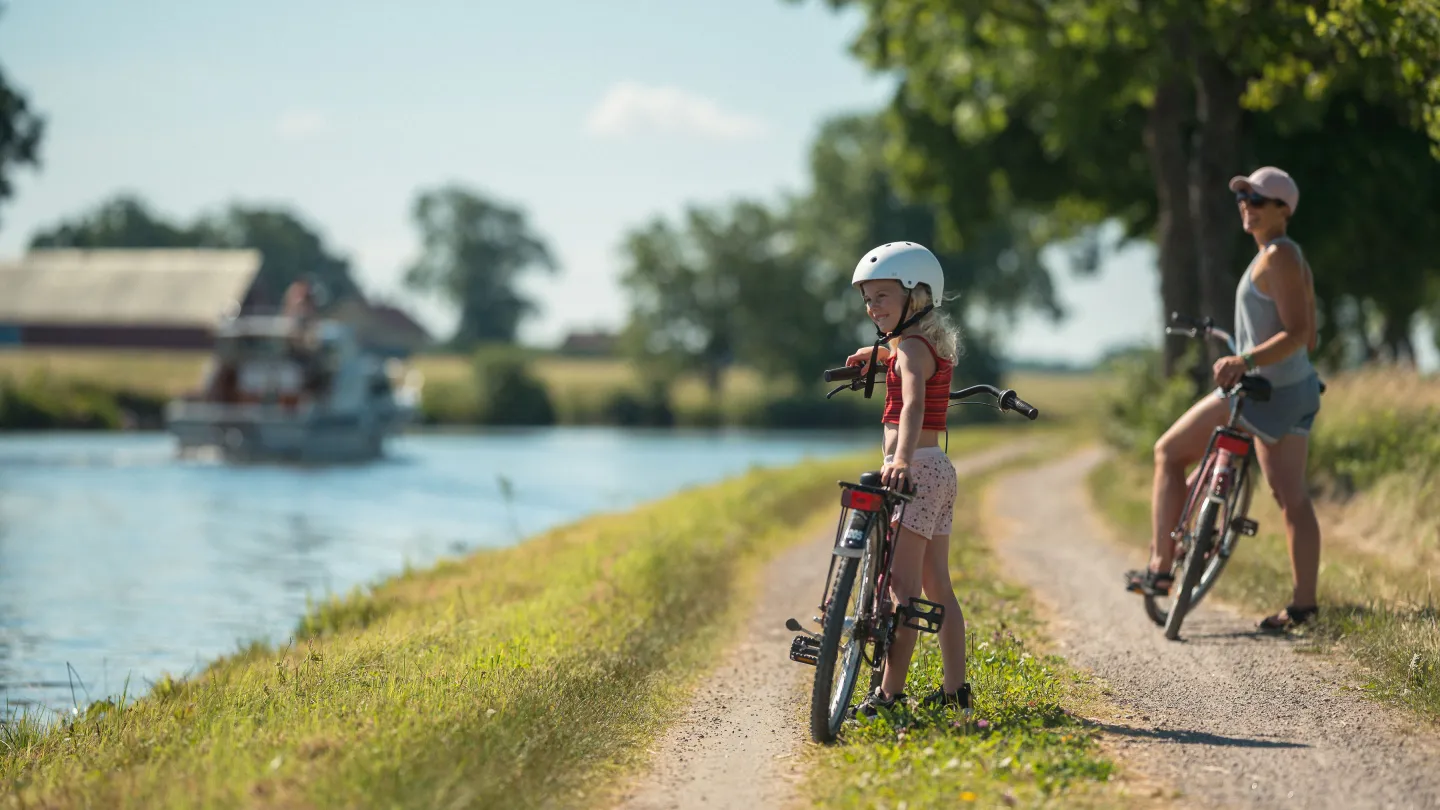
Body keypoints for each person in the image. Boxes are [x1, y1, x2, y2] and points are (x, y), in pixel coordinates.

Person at [1125, 166, 1324, 632]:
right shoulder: (1278, 256)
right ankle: (1303, 607)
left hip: (1260, 391)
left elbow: (1299, 333)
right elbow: (1304, 339)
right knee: (1291, 498)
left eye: (1257, 200)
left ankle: (1160, 566)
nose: (1246, 206)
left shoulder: (1279, 256)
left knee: (1168, 453)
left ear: (1283, 210)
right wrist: (1249, 354)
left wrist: (1246, 359)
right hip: (1294, 392)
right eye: (1243, 198)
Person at [841, 241, 972, 717]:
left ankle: (888, 696)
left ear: (915, 297)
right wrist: (875, 356)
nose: (872, 307)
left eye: (882, 297)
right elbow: (904, 363)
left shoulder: (913, 348)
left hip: (915, 466)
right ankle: (956, 690)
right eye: (868, 299)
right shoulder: (920, 342)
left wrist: (898, 459)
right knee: (938, 583)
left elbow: (913, 401)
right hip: (938, 467)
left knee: (902, 589)